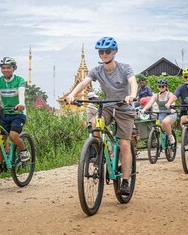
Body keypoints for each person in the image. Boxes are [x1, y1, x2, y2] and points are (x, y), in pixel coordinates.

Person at [65, 36, 137, 195]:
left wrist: (132, 95)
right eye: (101, 51)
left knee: (124, 144)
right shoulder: (97, 70)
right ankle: (99, 155)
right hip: (107, 106)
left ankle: (125, 180)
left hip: (124, 108)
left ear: (115, 52)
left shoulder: (125, 68)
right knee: (95, 124)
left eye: (107, 51)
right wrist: (72, 94)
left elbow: (133, 82)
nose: (104, 54)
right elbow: (84, 82)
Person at [140, 78, 177, 146]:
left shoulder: (170, 94)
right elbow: (150, 103)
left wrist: (172, 107)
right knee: (160, 128)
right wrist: (144, 109)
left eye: (163, 86)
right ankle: (159, 141)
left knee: (165, 122)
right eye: (159, 86)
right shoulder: (156, 96)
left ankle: (170, 136)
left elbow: (173, 102)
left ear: (166, 86)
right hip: (161, 114)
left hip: (170, 114)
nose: (161, 87)